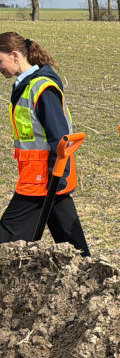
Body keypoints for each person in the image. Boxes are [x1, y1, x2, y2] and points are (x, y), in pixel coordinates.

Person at [0, 32, 90, 256]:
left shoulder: (41, 88)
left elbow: (60, 137)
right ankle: (93, 279)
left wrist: (56, 178)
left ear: (14, 55)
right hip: (40, 178)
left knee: (6, 240)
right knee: (71, 245)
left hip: (43, 180)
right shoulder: (26, 86)